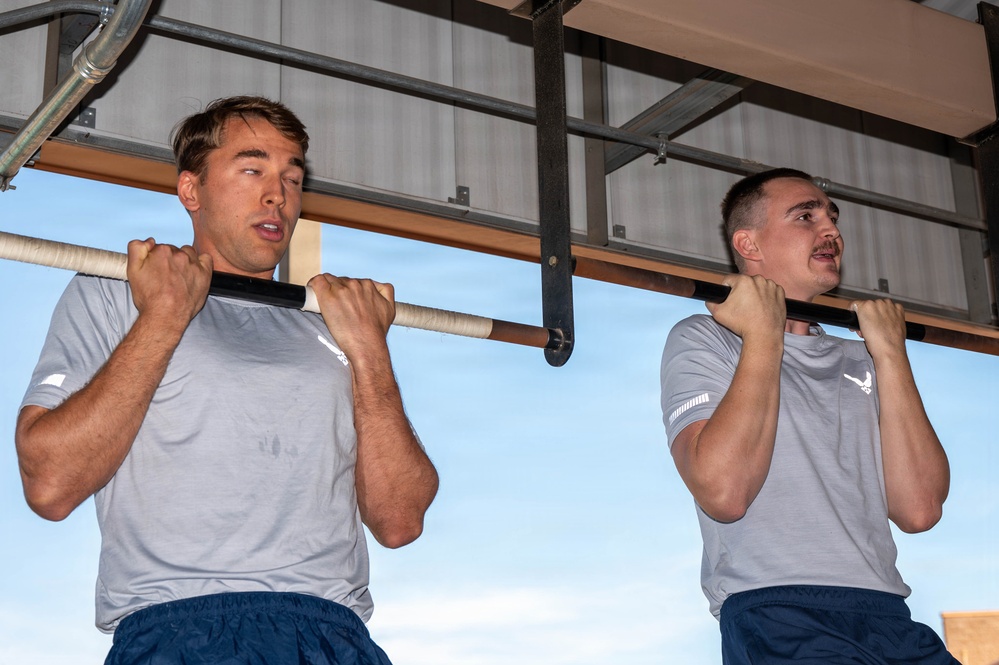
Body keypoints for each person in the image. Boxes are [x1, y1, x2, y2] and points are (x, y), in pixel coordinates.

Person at [15, 95, 439, 664]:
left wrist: (370, 350)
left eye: (291, 177)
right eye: (252, 169)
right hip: (181, 629)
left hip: (331, 635)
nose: (277, 194)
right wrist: (164, 316)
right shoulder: (117, 292)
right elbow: (50, 484)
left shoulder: (335, 323)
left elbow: (399, 520)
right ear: (192, 191)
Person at [660, 168, 960, 663]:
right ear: (749, 244)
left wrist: (891, 355)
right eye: (806, 215)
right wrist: (763, 334)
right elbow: (724, 493)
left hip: (888, 613)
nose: (832, 230)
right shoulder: (704, 339)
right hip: (779, 609)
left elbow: (920, 508)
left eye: (832, 216)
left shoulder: (863, 358)